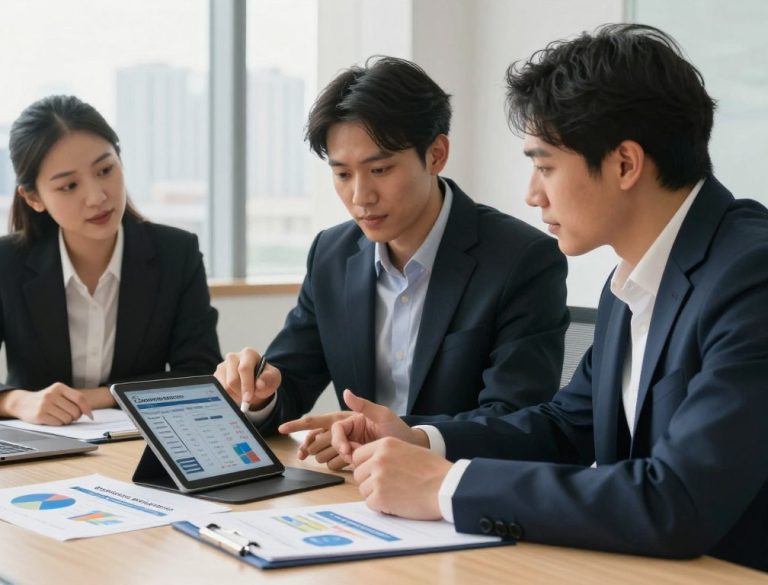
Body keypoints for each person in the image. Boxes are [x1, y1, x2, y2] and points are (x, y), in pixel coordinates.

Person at [326, 24, 768, 570]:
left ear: (625, 164)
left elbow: (676, 500)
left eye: (545, 166)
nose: (532, 194)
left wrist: (447, 487)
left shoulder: (752, 275)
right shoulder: (634, 280)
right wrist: (424, 441)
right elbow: (566, 427)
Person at [214, 57, 569, 470]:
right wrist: (261, 393)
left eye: (379, 169)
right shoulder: (331, 254)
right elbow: (289, 386)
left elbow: (516, 419)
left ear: (436, 154)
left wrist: (405, 437)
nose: (361, 196)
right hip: (357, 489)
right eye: (343, 174)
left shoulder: (520, 259)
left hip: (459, 490)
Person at [0, 95, 221, 425]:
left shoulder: (176, 254)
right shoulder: (6, 262)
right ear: (34, 197)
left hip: (139, 449)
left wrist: (101, 396)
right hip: (38, 452)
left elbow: (201, 374)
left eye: (105, 170)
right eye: (69, 186)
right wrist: (17, 402)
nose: (97, 197)